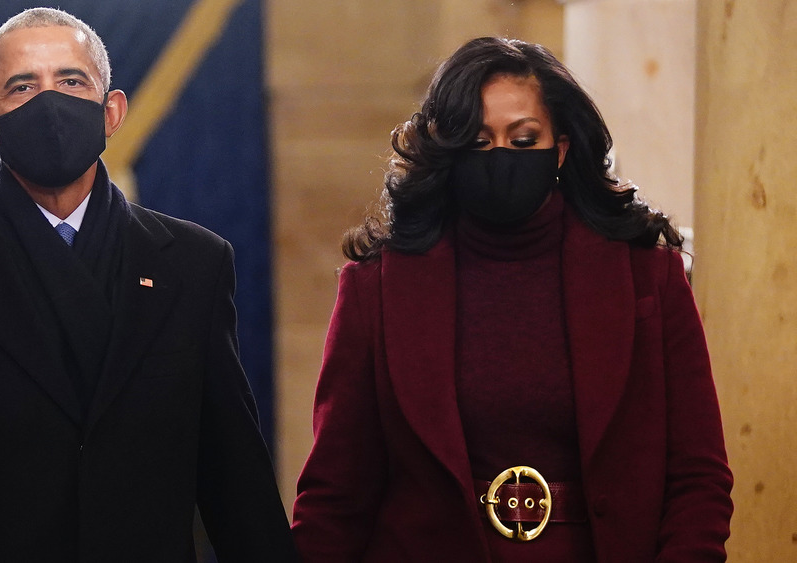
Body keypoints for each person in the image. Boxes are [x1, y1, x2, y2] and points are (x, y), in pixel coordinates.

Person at [0, 8, 297, 562]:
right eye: (22, 87)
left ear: (113, 110)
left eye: (71, 81)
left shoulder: (193, 265)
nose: (49, 103)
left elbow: (236, 481)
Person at [291, 37, 732, 562]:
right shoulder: (377, 288)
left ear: (561, 148)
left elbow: (697, 477)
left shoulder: (648, 276)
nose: (500, 157)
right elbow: (335, 496)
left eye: (523, 140)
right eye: (477, 142)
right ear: (447, 152)